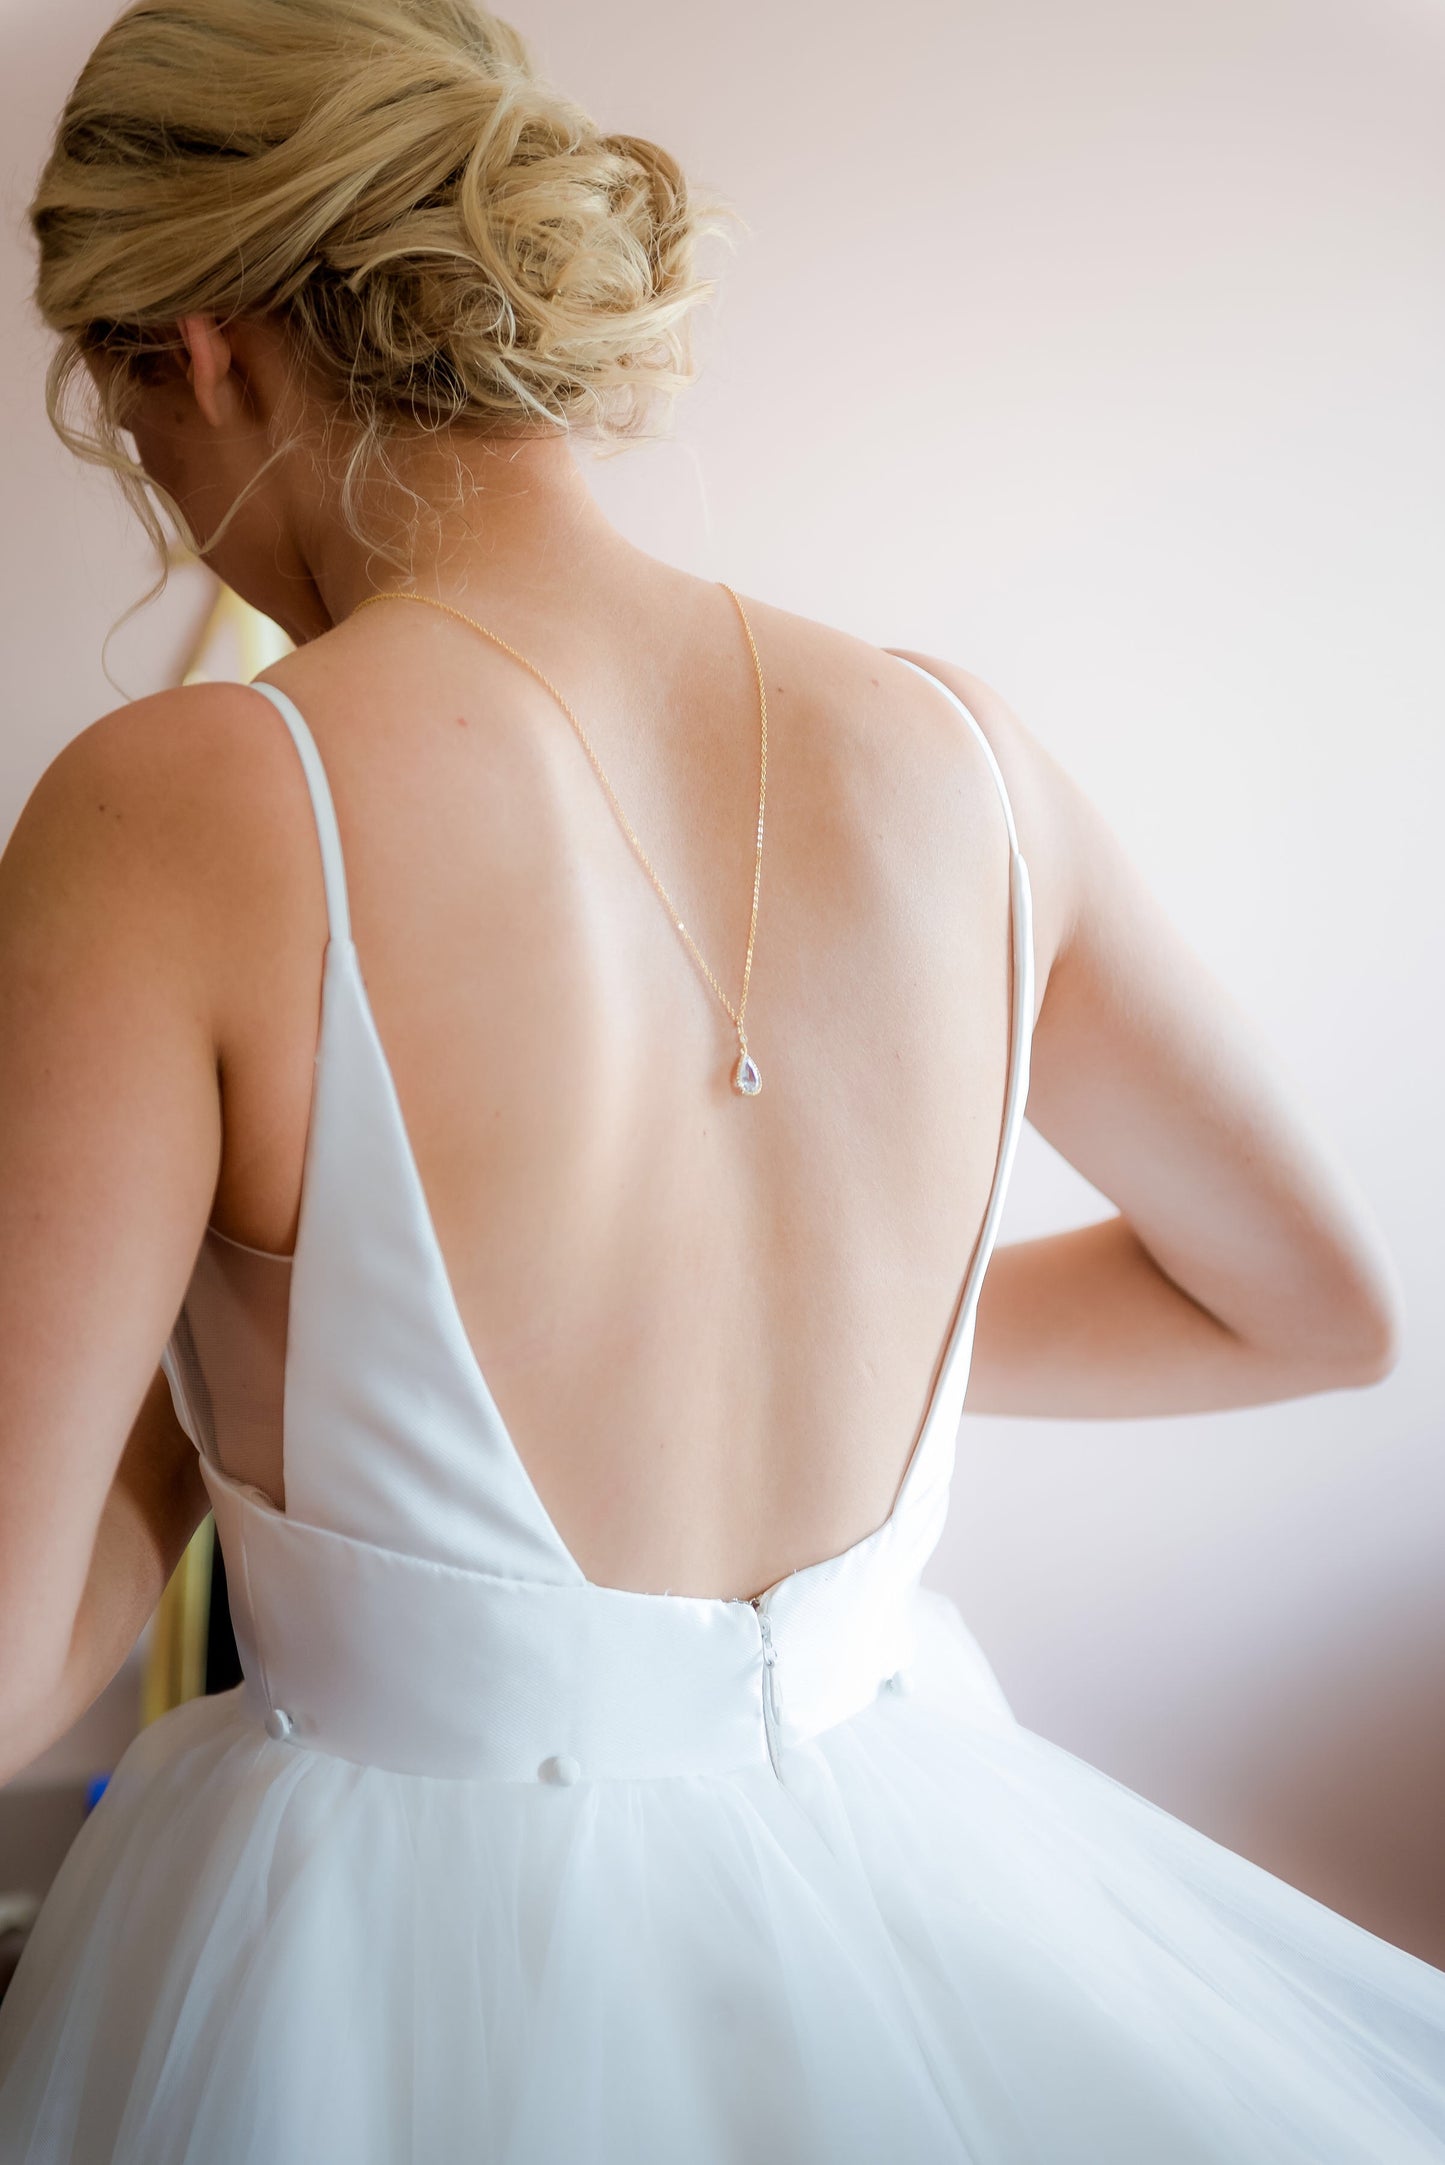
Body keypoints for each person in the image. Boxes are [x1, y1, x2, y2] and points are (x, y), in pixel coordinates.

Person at [0, 1, 1441, 2158]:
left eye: (139, 443)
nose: (185, 526)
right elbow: (1311, 1311)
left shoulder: (189, 803)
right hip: (913, 1868)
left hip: (383, 1967)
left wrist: (262, 1429)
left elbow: (10, 1661)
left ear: (196, 352)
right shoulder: (961, 751)